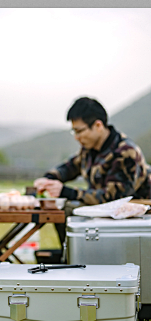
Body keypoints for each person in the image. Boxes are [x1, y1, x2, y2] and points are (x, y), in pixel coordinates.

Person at [34, 96, 151, 246]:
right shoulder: (89, 149)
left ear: (98, 125)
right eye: (74, 132)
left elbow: (114, 198)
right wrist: (49, 178)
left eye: (79, 131)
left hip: (133, 220)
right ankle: (69, 256)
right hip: (104, 215)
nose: (76, 137)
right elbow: (70, 167)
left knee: (68, 210)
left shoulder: (125, 152)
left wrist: (66, 192)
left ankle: (72, 258)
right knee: (63, 208)